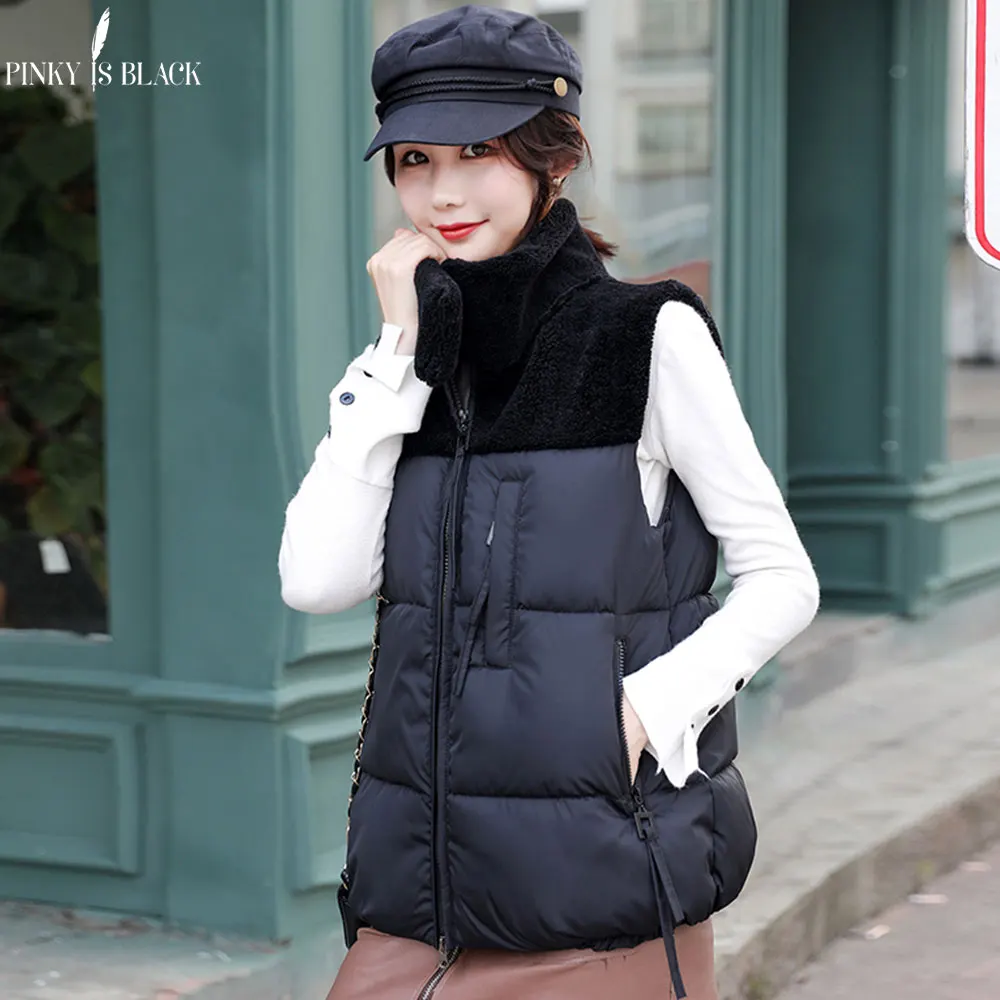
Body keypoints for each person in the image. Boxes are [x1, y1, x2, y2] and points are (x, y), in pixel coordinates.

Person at [278, 6, 821, 998]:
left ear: (553, 158)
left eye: (477, 152)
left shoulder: (643, 336)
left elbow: (782, 576)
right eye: (413, 160)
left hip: (598, 885)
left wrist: (639, 713)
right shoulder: (409, 369)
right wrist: (396, 352)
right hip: (421, 891)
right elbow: (317, 581)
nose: (441, 191)